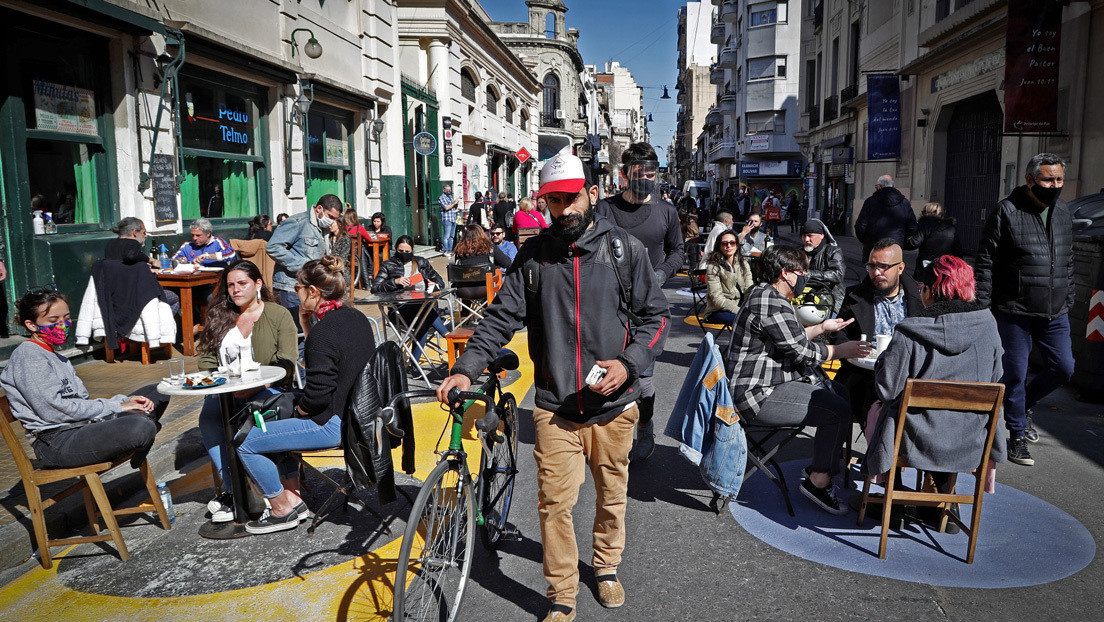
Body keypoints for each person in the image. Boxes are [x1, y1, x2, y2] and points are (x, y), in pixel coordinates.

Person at [437, 153, 669, 622]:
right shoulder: (534, 257)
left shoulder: (625, 251)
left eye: (568, 199)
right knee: (554, 504)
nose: (561, 210)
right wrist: (466, 367)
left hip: (615, 405)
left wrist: (629, 364)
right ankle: (562, 592)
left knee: (611, 494)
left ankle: (605, 567)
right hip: (553, 406)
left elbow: (656, 319)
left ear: (591, 193)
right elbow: (500, 318)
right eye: (552, 201)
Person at [863, 255, 1006, 529]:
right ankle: (942, 498)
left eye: (922, 288)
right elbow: (996, 378)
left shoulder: (910, 332)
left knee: (881, 409)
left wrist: (882, 361)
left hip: (913, 440)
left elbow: (887, 389)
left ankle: (893, 500)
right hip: (971, 439)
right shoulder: (989, 327)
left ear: (930, 291)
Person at [235, 256, 375, 534]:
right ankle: (294, 499)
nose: (295, 292)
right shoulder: (356, 317)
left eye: (299, 287)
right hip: (361, 417)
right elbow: (325, 360)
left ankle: (281, 509)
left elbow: (318, 394)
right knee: (280, 418)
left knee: (246, 442)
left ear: (313, 292)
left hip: (332, 424)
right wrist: (305, 321)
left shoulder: (325, 332)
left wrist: (301, 411)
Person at [727, 245, 871, 515]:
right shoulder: (770, 300)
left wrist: (821, 328)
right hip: (756, 395)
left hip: (763, 383)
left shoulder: (765, 294)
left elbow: (788, 339)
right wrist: (842, 350)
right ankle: (818, 482)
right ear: (785, 273)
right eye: (802, 272)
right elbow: (801, 353)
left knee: (840, 392)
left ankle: (822, 465)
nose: (805, 277)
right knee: (836, 410)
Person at [975, 153, 1075, 467]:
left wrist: (1067, 296)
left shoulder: (1063, 213)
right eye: (1048, 180)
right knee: (1014, 374)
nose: (1054, 186)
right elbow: (985, 262)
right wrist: (981, 305)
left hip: (1055, 310)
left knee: (1064, 368)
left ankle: (1022, 406)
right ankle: (1017, 434)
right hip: (1013, 309)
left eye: (1059, 180)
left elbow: (1068, 260)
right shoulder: (1006, 211)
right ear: (1030, 180)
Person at [0, 288, 169, 470]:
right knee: (140, 426)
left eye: (65, 318)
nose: (62, 324)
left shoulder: (58, 357)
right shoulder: (29, 357)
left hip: (81, 426)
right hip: (56, 442)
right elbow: (54, 411)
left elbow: (80, 403)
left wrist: (123, 401)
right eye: (53, 320)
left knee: (160, 391)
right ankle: (139, 438)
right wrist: (119, 406)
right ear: (31, 325)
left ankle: (137, 439)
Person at [595, 142, 686, 460]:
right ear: (624, 174)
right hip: (608, 305)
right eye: (640, 172)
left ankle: (645, 427)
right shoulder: (605, 209)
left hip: (648, 309)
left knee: (644, 382)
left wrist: (660, 275)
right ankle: (605, 430)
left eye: (652, 172)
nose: (647, 177)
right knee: (604, 371)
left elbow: (679, 251)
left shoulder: (666, 210)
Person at [195, 261, 297, 522]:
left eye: (242, 283)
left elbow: (286, 361)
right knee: (210, 418)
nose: (235, 290)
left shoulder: (277, 315)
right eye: (230, 285)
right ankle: (235, 492)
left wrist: (257, 385)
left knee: (256, 418)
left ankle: (277, 488)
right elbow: (206, 360)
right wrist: (220, 383)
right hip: (226, 390)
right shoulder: (219, 315)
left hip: (268, 389)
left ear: (258, 284)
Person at [833, 239, 924, 435]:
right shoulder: (855, 297)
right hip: (866, 374)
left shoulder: (919, 299)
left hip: (909, 375)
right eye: (872, 266)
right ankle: (878, 456)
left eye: (883, 267)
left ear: (900, 268)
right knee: (869, 398)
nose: (876, 273)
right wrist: (849, 348)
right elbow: (839, 334)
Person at [371, 235, 449, 368]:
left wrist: (433, 283)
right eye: (401, 251)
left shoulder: (421, 262)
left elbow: (440, 281)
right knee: (424, 314)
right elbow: (375, 288)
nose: (404, 254)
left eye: (407, 252)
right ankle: (449, 336)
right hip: (400, 311)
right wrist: (394, 282)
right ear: (396, 249)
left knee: (423, 321)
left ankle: (414, 367)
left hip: (423, 308)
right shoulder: (388, 265)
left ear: (412, 251)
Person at [267, 194, 343, 330]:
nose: (332, 222)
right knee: (295, 332)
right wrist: (305, 267)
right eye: (330, 216)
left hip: (311, 289)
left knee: (309, 329)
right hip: (290, 288)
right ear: (319, 208)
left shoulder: (323, 228)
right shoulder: (297, 222)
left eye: (335, 219)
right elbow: (273, 247)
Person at [105, 217, 180, 315]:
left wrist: (145, 270)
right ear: (135, 232)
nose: (146, 236)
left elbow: (124, 266)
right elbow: (130, 255)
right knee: (175, 298)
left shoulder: (111, 245)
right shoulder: (132, 243)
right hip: (133, 296)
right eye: (144, 232)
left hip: (114, 296)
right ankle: (159, 326)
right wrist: (151, 260)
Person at [854, 175, 918, 261]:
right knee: (893, 271)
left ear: (879, 187)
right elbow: (913, 227)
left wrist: (866, 240)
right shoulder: (904, 203)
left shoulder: (870, 201)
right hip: (895, 245)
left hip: (873, 246)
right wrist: (901, 238)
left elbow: (860, 226)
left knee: (873, 271)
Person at [703, 230, 753, 326]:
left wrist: (748, 309)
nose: (729, 246)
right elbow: (717, 300)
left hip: (741, 307)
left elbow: (749, 290)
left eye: (732, 243)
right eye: (724, 243)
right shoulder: (713, 266)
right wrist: (740, 311)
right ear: (719, 246)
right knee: (744, 322)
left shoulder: (744, 263)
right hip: (717, 310)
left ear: (737, 245)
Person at [905, 202, 962, 279]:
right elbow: (958, 250)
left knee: (922, 286)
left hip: (925, 265)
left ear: (926, 212)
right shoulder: (950, 227)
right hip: (944, 266)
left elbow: (914, 243)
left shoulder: (924, 225)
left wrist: (904, 239)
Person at [801, 219, 845, 315]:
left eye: (810, 235)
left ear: (821, 235)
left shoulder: (833, 251)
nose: (806, 239)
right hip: (803, 298)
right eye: (804, 236)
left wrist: (809, 274)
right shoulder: (799, 252)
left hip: (829, 300)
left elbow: (838, 275)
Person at [173, 218, 237, 268]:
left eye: (198, 235)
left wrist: (207, 256)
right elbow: (172, 261)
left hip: (216, 279)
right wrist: (181, 261)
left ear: (208, 234)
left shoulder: (217, 242)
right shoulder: (187, 245)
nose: (194, 238)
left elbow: (231, 254)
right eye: (192, 235)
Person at [438, 183, 459, 255]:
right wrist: (453, 204)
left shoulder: (450, 197)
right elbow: (446, 207)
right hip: (447, 218)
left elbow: (454, 207)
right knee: (446, 236)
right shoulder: (442, 198)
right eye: (447, 190)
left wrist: (456, 203)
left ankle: (450, 250)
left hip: (453, 218)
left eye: (450, 190)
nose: (448, 191)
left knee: (451, 236)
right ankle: (445, 250)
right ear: (444, 190)